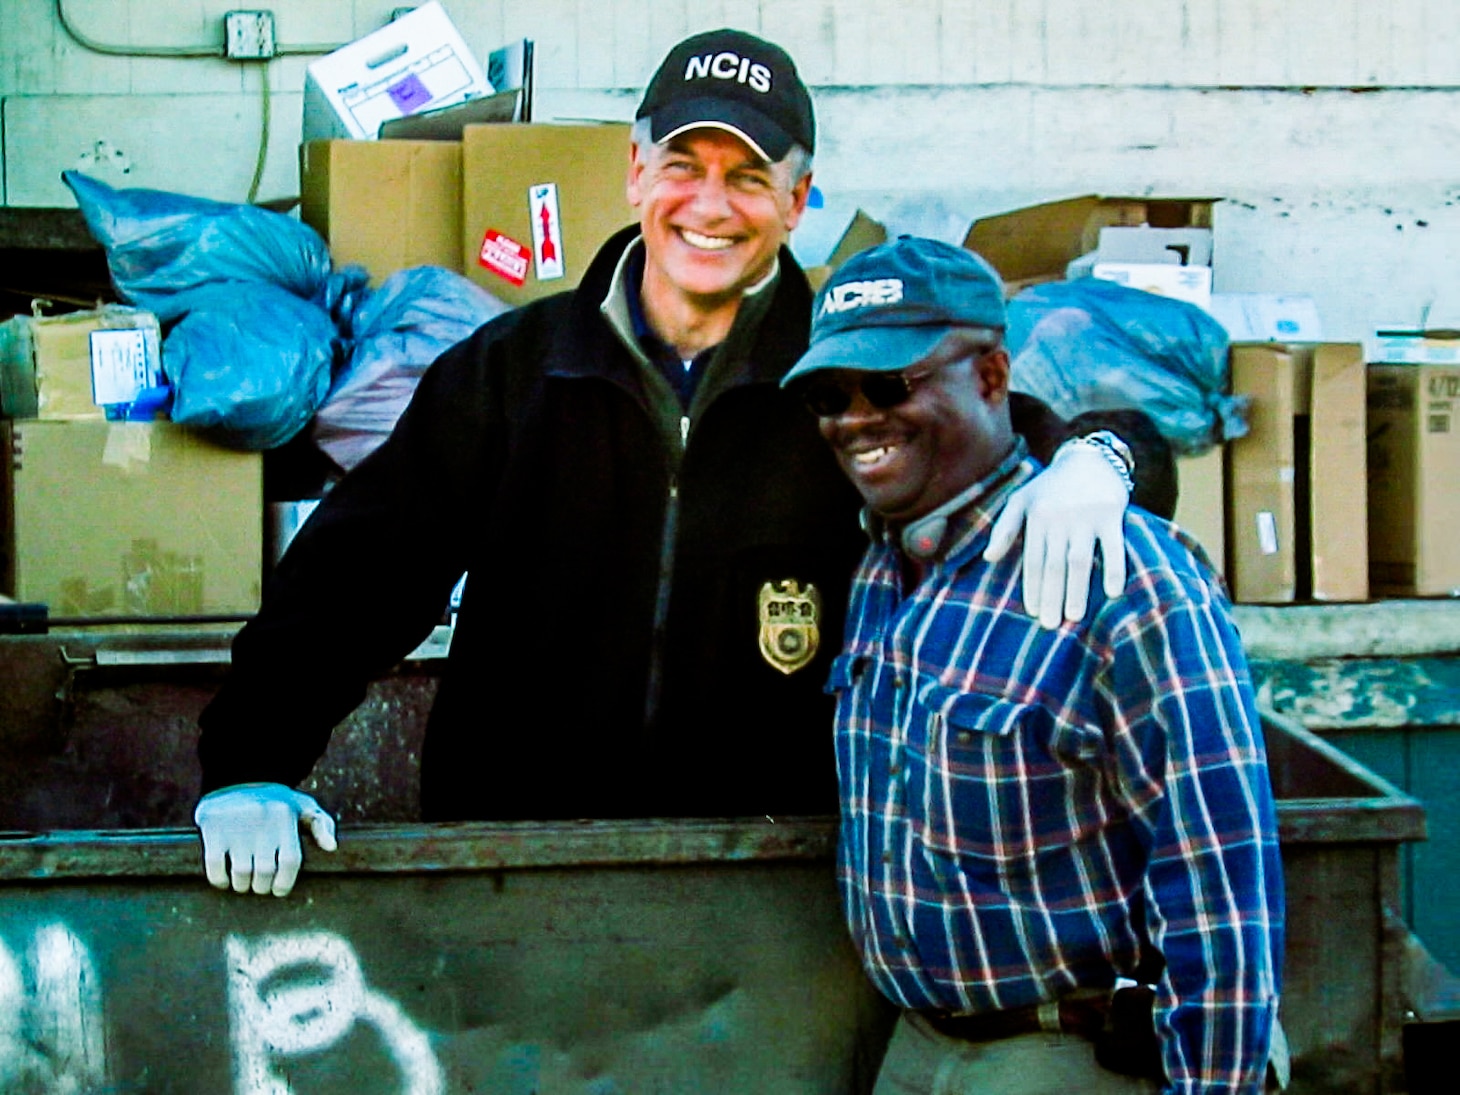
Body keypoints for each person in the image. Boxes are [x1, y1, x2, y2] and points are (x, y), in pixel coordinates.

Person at [193, 29, 1138, 898]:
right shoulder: (514, 373)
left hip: (773, 887)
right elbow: (360, 577)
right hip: (513, 879)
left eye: (750, 176)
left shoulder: (847, 384)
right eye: (684, 166)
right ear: (636, 173)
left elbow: (1026, 435)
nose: (711, 206)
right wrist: (250, 762)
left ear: (799, 201)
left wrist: (1098, 462)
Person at [782, 236, 1284, 1093]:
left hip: (1067, 1053)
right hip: (914, 1046)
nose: (857, 417)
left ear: (988, 376)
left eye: (891, 383)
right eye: (832, 395)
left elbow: (1220, 888)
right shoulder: (879, 572)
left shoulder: (1120, 573)